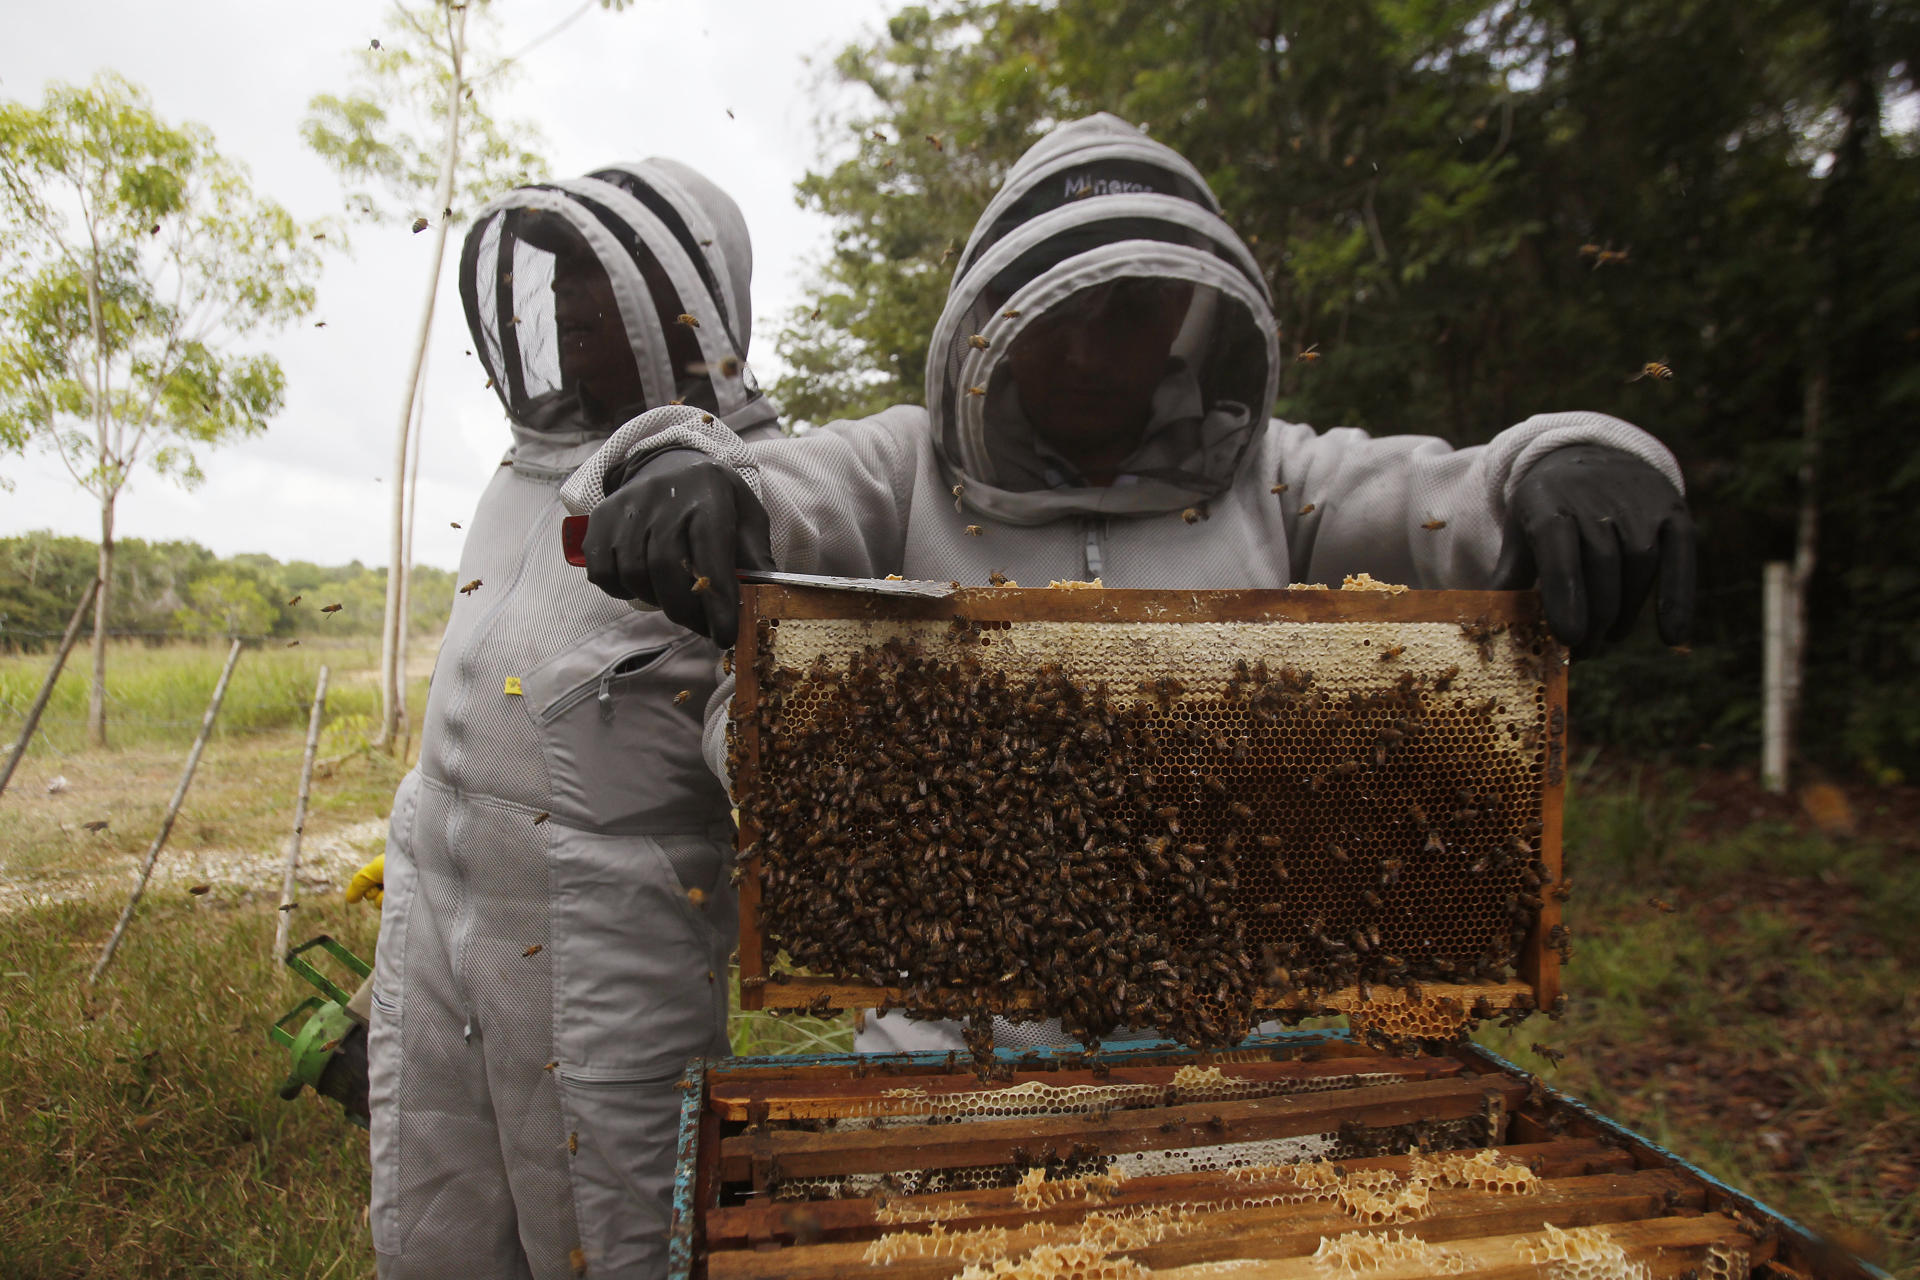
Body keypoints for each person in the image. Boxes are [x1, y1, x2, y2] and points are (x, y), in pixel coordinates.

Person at [560, 114, 1695, 1053]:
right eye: (1062, 315)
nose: (1095, 354)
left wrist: (1569, 456)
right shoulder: (902, 466)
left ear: (1187, 315)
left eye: (1130, 315)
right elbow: (771, 482)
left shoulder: (1273, 476)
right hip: (951, 1055)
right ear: (994, 319)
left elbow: (1445, 495)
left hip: (1240, 1050)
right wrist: (682, 464)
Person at [364, 160, 780, 1280]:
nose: (576, 322)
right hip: (435, 906)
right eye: (566, 297)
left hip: (609, 938)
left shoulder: (745, 482)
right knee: (431, 1226)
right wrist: (387, 971)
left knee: (616, 1241)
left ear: (686, 305)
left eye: (606, 295)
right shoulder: (515, 476)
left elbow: (772, 728)